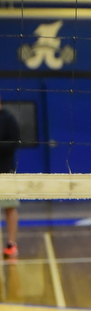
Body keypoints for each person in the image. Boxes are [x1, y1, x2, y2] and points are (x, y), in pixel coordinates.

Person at [0, 95, 21, 259]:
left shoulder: (8, 119)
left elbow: (14, 142)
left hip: (5, 171)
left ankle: (11, 243)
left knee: (9, 207)